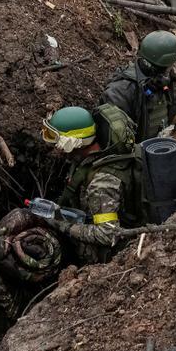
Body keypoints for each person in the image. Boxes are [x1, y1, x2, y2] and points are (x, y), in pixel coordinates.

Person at [41, 104, 144, 264]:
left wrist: (64, 226)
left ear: (73, 142)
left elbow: (108, 234)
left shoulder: (101, 183)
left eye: (57, 139)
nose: (56, 147)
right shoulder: (90, 157)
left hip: (108, 258)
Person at [100, 30, 176, 141]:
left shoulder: (165, 80)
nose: (172, 67)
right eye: (170, 64)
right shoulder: (121, 91)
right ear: (161, 66)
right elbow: (117, 141)